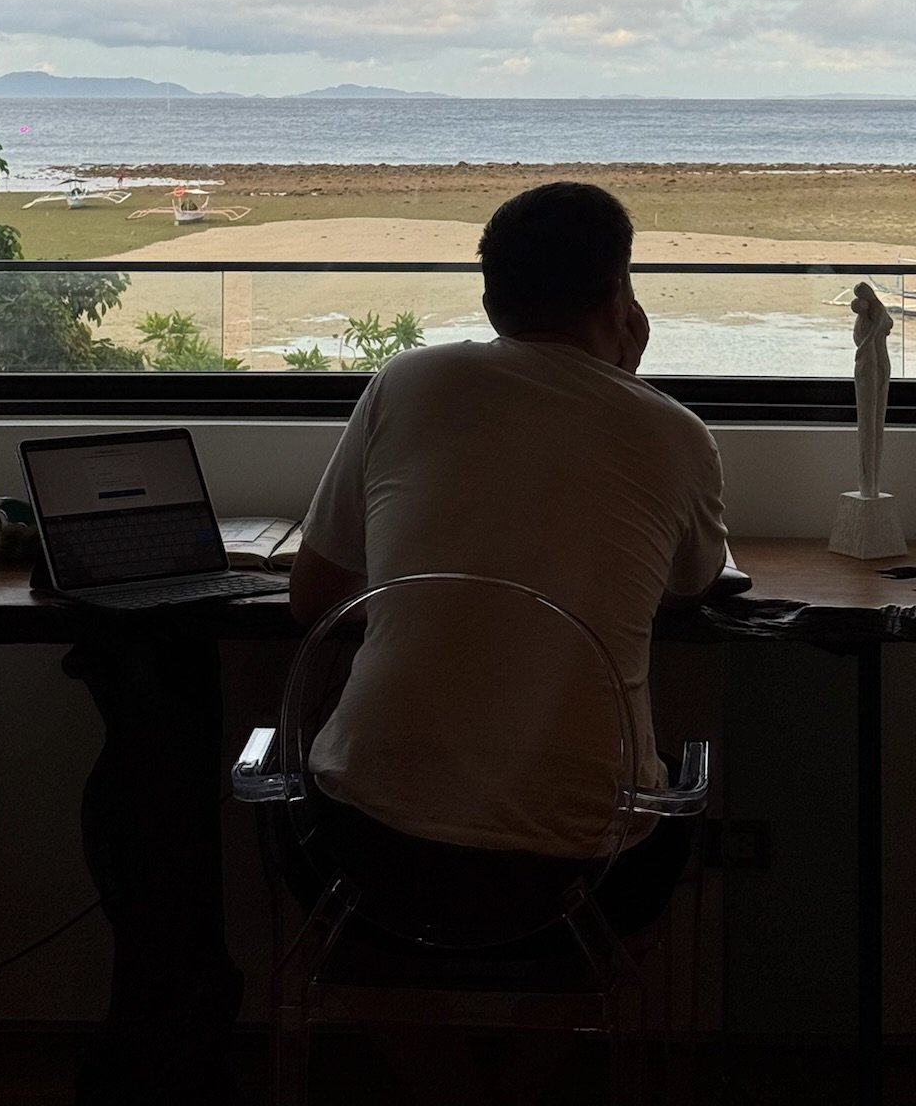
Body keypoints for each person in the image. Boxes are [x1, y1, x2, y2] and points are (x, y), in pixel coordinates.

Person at [289, 180, 728, 937]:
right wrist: (623, 385)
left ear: (492, 307)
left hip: (366, 844)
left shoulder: (406, 381)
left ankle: (426, 1050)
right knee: (580, 938)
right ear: (621, 296)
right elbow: (694, 583)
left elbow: (312, 598)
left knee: (369, 925)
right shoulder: (676, 433)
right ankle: (533, 1044)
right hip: (588, 866)